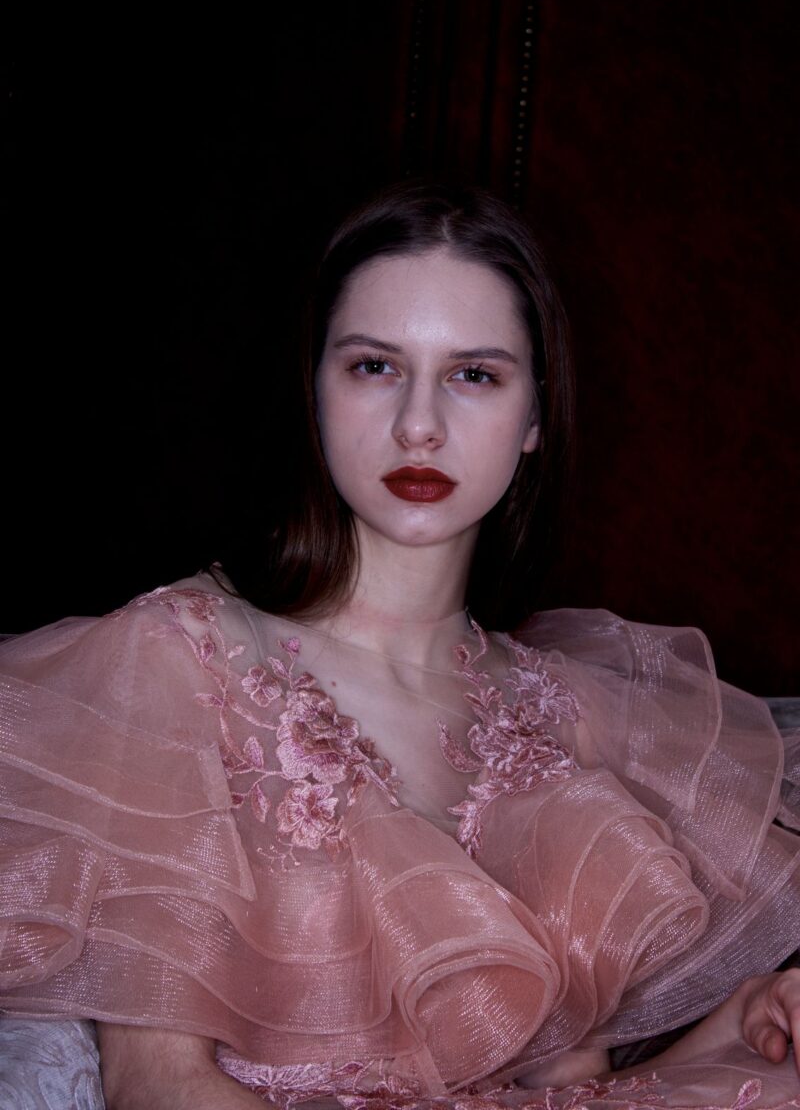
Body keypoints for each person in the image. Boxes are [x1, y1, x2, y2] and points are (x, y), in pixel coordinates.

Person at [1, 183, 799, 1110]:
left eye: (474, 375)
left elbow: (569, 1092)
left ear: (535, 419)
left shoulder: (562, 717)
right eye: (375, 366)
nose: (420, 424)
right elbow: (158, 1086)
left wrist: (734, 1026)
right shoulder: (180, 660)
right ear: (315, 389)